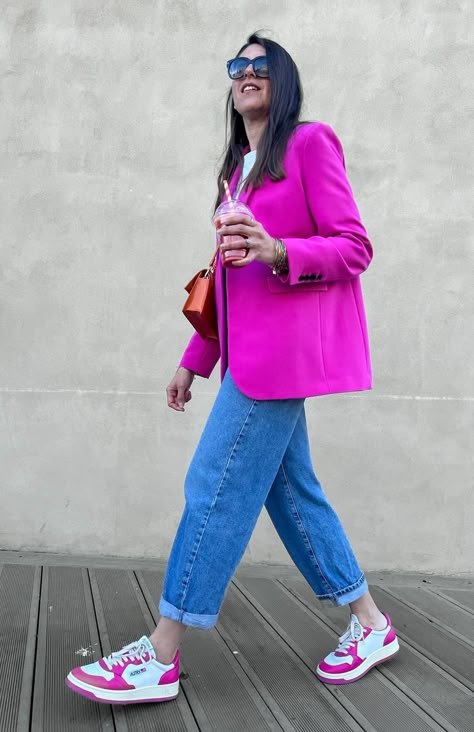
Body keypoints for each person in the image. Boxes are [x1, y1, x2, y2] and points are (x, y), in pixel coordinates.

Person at [66, 32, 399, 705]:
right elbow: (220, 278)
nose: (246, 74)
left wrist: (279, 250)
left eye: (260, 65)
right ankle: (371, 624)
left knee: (213, 485)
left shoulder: (310, 144)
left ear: (283, 82)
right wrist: (194, 360)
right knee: (293, 494)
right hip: (245, 361)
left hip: (281, 362)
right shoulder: (235, 172)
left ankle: (161, 653)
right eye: (237, 66)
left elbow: (354, 247)